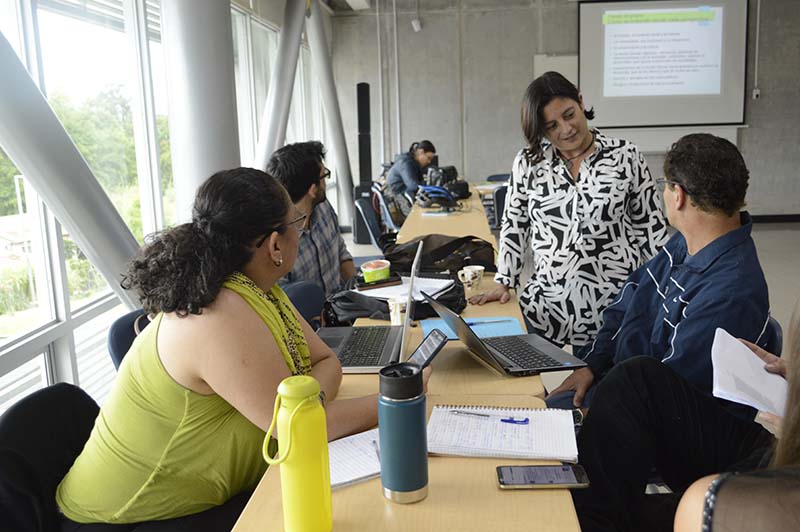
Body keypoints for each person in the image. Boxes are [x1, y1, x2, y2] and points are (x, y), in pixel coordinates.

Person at [56, 168, 430, 526]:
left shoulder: (258, 288)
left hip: (200, 496)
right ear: (274, 243)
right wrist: (402, 399)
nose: (302, 231)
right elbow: (297, 429)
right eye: (297, 223)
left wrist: (305, 408)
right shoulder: (217, 313)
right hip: (130, 516)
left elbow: (325, 361)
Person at [546, 133, 770, 410]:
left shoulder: (730, 293)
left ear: (678, 196)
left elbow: (663, 396)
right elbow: (629, 301)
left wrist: (593, 413)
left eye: (665, 185)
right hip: (622, 384)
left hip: (648, 419)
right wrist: (593, 364)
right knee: (538, 408)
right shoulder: (686, 241)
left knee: (536, 420)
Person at [472, 71, 668, 349]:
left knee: (596, 389)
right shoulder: (529, 162)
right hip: (547, 303)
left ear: (580, 101)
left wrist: (661, 291)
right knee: (516, 374)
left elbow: (651, 229)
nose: (565, 129)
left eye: (569, 114)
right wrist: (505, 280)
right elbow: (515, 224)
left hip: (614, 306)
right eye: (551, 126)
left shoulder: (625, 156)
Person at [572, 299, 800, 532]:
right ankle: (583, 515)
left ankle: (586, 518)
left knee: (667, 512)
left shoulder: (733, 283)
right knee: (637, 379)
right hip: (779, 449)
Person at [267, 141, 355, 297]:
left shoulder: (324, 208)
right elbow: (284, 302)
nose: (326, 182)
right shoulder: (277, 243)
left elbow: (341, 251)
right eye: (324, 175)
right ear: (313, 189)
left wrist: (359, 289)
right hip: (309, 318)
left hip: (342, 305)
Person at [385, 140, 437, 218]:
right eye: (428, 158)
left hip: (402, 196)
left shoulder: (413, 163)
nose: (429, 162)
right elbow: (413, 185)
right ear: (421, 152)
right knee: (419, 215)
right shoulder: (406, 163)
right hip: (396, 199)